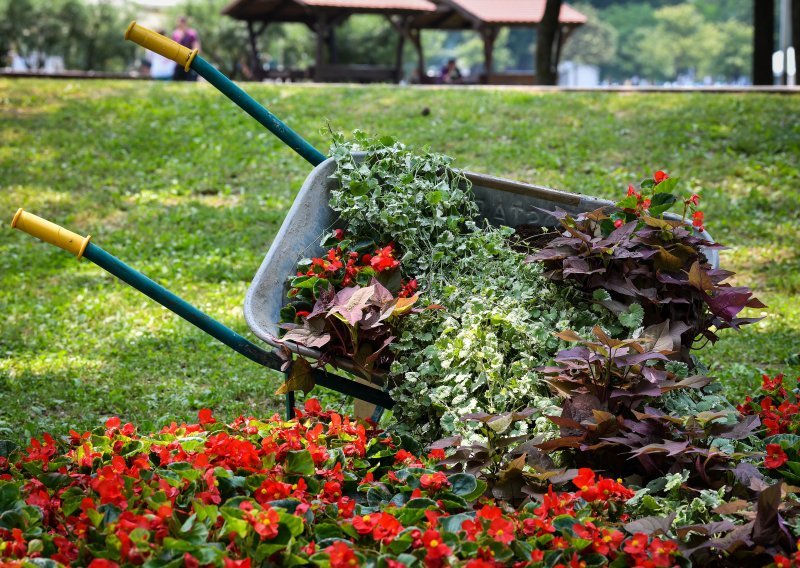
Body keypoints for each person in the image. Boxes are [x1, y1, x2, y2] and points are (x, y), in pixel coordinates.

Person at [171, 17, 200, 81]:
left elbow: (196, 47)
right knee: (176, 81)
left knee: (190, 81)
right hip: (178, 62)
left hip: (189, 61)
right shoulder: (175, 34)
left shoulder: (191, 33)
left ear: (185, 23)